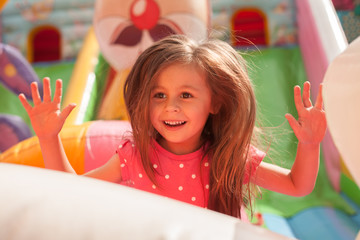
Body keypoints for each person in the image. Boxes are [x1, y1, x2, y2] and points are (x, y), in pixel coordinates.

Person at [19, 35, 326, 221]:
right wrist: (48, 138)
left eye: (186, 95)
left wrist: (310, 145)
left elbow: (297, 186)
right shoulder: (135, 158)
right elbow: (73, 193)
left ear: (215, 103)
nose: (170, 107)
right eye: (159, 95)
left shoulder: (229, 157)